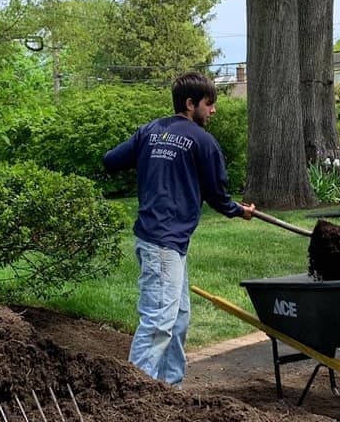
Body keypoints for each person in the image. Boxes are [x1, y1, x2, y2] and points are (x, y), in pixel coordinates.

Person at [103, 72, 255, 388]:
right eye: (209, 104)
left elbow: (111, 160)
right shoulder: (203, 141)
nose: (213, 110)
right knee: (159, 322)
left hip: (162, 240)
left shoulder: (150, 132)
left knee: (179, 317)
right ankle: (134, 394)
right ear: (190, 104)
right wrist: (239, 211)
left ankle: (170, 388)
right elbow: (217, 195)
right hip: (163, 241)